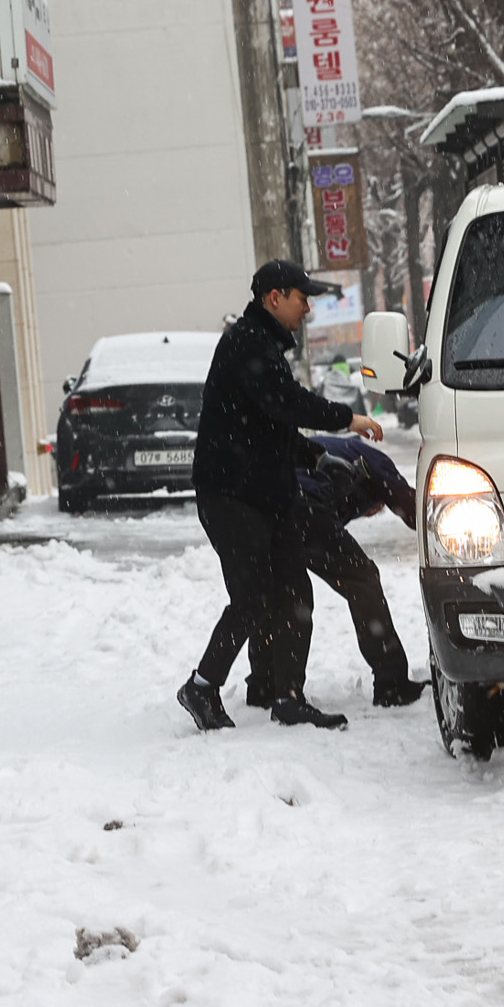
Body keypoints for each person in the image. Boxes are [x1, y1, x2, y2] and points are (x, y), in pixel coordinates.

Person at [176, 261, 382, 733]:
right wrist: (346, 419)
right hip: (231, 495)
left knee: (293, 593)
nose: (307, 306)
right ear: (274, 297)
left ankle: (289, 697)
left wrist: (314, 458)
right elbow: (287, 403)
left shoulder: (264, 345)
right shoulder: (248, 343)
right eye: (300, 297)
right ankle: (202, 687)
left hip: (268, 494)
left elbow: (270, 425)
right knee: (252, 597)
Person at [232, 434, 425, 710]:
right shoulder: (372, 460)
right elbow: (411, 508)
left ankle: (266, 685)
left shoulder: (329, 450)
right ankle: (391, 682)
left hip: (259, 507)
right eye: (376, 508)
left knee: (279, 593)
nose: (371, 513)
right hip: (302, 505)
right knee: (362, 578)